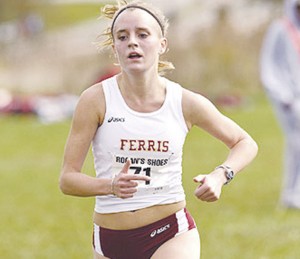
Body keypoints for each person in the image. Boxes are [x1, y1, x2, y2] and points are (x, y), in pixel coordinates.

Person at [59, 1, 258, 258]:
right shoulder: (95, 100)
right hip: (111, 239)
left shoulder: (185, 101)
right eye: (123, 36)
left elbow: (244, 142)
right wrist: (110, 186)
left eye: (142, 34)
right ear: (114, 47)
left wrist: (220, 176)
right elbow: (67, 180)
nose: (132, 42)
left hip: (170, 233)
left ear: (162, 44)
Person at [260, 0, 300, 209]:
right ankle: (291, 195)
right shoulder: (281, 29)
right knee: (296, 144)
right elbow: (269, 65)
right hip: (288, 99)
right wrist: (283, 95)